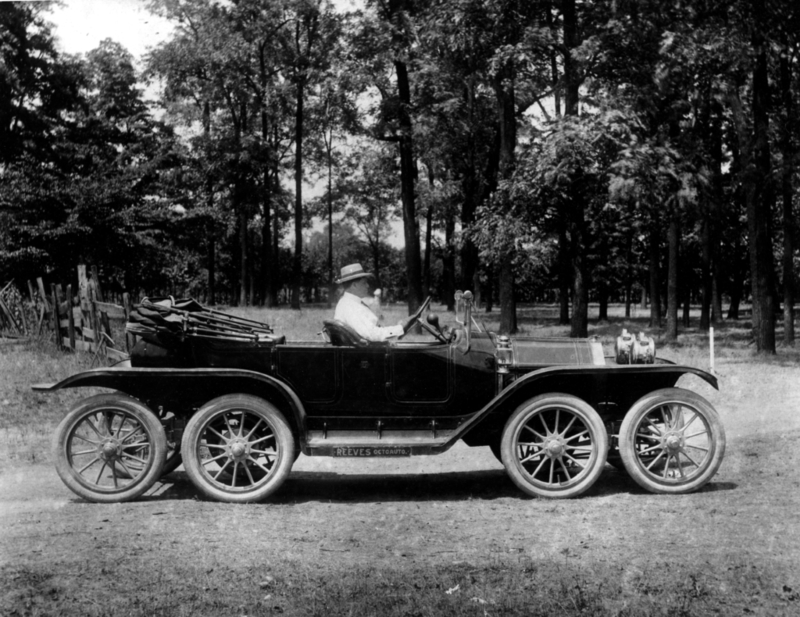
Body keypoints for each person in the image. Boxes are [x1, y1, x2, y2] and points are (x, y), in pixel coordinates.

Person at [333, 263, 413, 342]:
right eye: (364, 283)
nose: (367, 286)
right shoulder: (349, 307)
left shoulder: (349, 303)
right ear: (354, 285)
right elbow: (371, 335)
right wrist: (400, 328)